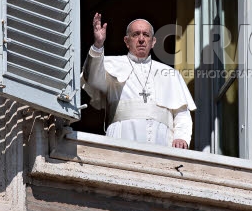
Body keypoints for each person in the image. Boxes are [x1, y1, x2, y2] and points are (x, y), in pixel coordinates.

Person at [82, 13, 196, 149]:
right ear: (126, 41)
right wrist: (98, 45)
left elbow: (182, 113)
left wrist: (181, 137)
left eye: (146, 35)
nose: (141, 39)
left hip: (163, 144)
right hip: (121, 141)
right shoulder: (111, 64)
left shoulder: (170, 74)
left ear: (153, 42)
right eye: (136, 34)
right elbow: (92, 78)